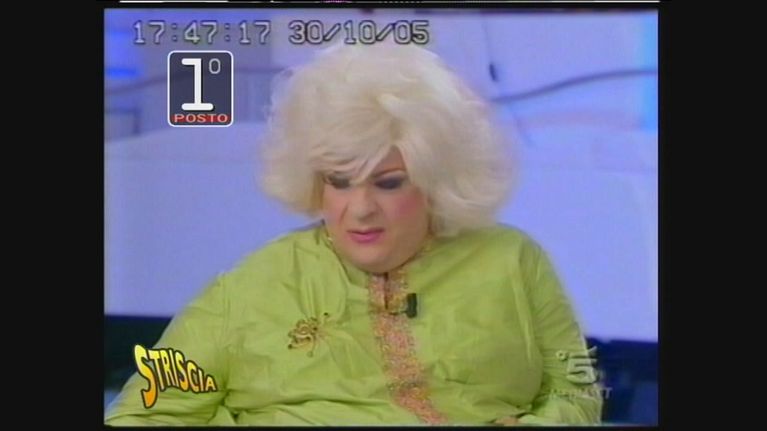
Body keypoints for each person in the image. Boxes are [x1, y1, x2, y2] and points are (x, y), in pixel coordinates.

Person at [105, 42, 603, 426]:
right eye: (339, 182)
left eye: (388, 183)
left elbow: (577, 391)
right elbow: (144, 414)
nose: (360, 210)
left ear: (435, 181)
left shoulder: (512, 261)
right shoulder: (253, 285)